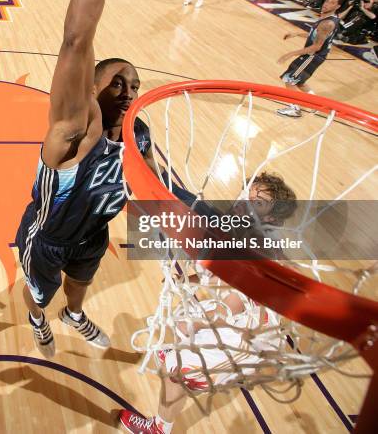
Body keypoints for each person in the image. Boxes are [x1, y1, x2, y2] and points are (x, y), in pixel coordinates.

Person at [15, 0, 153, 357]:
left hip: (92, 233)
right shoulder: (75, 131)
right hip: (48, 236)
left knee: (81, 283)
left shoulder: (140, 133)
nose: (129, 90)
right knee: (39, 294)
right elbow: (76, 38)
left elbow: (152, 189)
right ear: (92, 89)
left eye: (134, 84)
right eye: (117, 81)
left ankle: (73, 314)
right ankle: (38, 318)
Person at [119, 173, 297, 434]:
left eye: (257, 203)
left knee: (176, 371)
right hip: (241, 315)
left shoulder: (256, 248)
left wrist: (191, 325)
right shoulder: (235, 228)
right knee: (180, 337)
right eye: (248, 194)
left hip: (244, 331)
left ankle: (159, 429)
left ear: (271, 217)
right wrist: (186, 278)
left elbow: (231, 307)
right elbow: (218, 274)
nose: (246, 202)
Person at [277, 0, 343, 118]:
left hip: (313, 55)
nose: (326, 4)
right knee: (300, 82)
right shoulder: (328, 18)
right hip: (314, 56)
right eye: (327, 0)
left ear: (338, 6)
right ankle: (317, 105)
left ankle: (294, 109)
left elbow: (317, 46)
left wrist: (290, 54)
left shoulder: (327, 23)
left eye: (332, 3)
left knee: (289, 79)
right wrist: (296, 34)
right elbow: (315, 34)